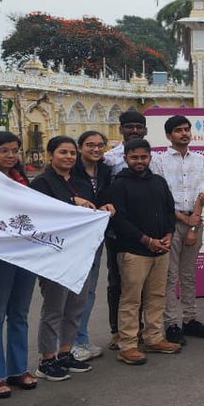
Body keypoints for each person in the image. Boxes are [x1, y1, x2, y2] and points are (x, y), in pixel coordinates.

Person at [28, 136, 106, 381]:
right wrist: (72, 201)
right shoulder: (42, 182)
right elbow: (40, 212)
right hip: (54, 254)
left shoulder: (79, 180)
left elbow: (89, 209)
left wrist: (102, 209)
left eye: (72, 153)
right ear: (51, 155)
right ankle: (46, 359)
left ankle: (65, 352)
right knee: (54, 308)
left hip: (79, 253)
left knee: (75, 305)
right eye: (63, 152)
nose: (69, 157)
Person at [104, 139, 182, 365]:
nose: (139, 162)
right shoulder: (119, 184)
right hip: (133, 252)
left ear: (150, 158)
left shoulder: (158, 181)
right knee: (131, 300)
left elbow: (169, 210)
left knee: (156, 297)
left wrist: (168, 233)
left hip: (161, 250)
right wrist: (146, 240)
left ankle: (153, 338)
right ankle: (127, 345)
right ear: (126, 158)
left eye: (143, 157)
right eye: (134, 157)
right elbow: (119, 219)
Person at [0, 132, 36, 399]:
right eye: (4, 151)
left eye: (15, 151)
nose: (11, 156)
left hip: (24, 251)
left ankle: (18, 368)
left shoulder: (21, 179)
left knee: (20, 313)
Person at [149, 115, 204, 345]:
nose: (184, 133)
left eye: (187, 129)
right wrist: (182, 218)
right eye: (179, 130)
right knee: (170, 276)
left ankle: (190, 320)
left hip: (194, 220)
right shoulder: (158, 161)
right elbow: (160, 194)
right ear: (169, 135)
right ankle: (171, 324)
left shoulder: (200, 160)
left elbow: (203, 190)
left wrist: (194, 221)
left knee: (188, 275)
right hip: (169, 223)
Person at [101, 110, 147, 351]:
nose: (135, 130)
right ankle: (117, 331)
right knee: (118, 280)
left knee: (142, 282)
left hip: (145, 228)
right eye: (130, 127)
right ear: (121, 130)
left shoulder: (150, 155)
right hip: (117, 229)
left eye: (139, 126)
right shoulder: (109, 159)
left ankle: (140, 328)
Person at [71, 130, 113, 362]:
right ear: (80, 147)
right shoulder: (70, 171)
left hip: (96, 236)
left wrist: (108, 204)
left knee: (89, 290)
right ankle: (69, 342)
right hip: (75, 238)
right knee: (74, 290)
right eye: (90, 145)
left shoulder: (105, 171)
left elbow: (108, 196)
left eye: (100, 145)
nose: (95, 149)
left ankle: (82, 337)